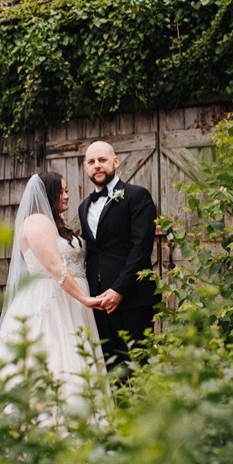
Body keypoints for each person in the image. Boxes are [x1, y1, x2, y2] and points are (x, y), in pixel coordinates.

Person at [0, 172, 108, 419]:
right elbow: (55, 267)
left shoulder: (56, 224)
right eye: (62, 191)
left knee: (74, 357)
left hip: (70, 303)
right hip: (52, 300)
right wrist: (85, 299)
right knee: (54, 357)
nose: (67, 195)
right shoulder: (36, 221)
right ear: (49, 194)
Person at [79, 141, 159, 382]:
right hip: (99, 304)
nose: (97, 166)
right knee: (112, 373)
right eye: (91, 162)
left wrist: (118, 290)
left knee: (139, 368)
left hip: (133, 300)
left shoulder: (137, 196)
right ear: (85, 167)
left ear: (115, 161)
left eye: (102, 160)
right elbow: (93, 254)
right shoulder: (84, 207)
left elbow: (141, 248)